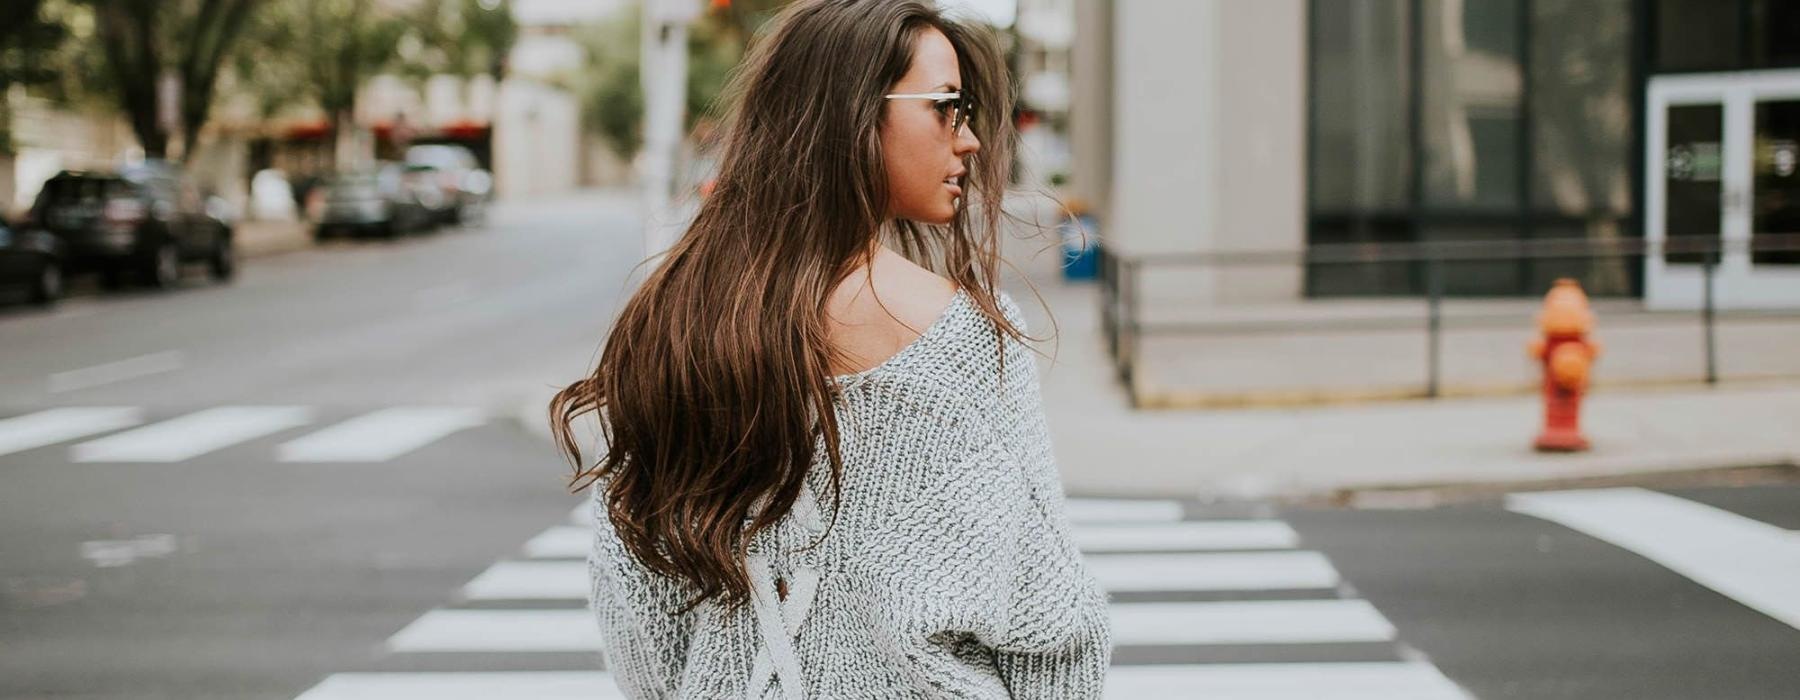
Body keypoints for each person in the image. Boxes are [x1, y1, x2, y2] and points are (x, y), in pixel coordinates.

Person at [548, 1, 1112, 697]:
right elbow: (1052, 626)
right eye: (947, 107)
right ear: (853, 114)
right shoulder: (962, 339)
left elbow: (637, 605)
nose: (968, 140)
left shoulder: (675, 323)